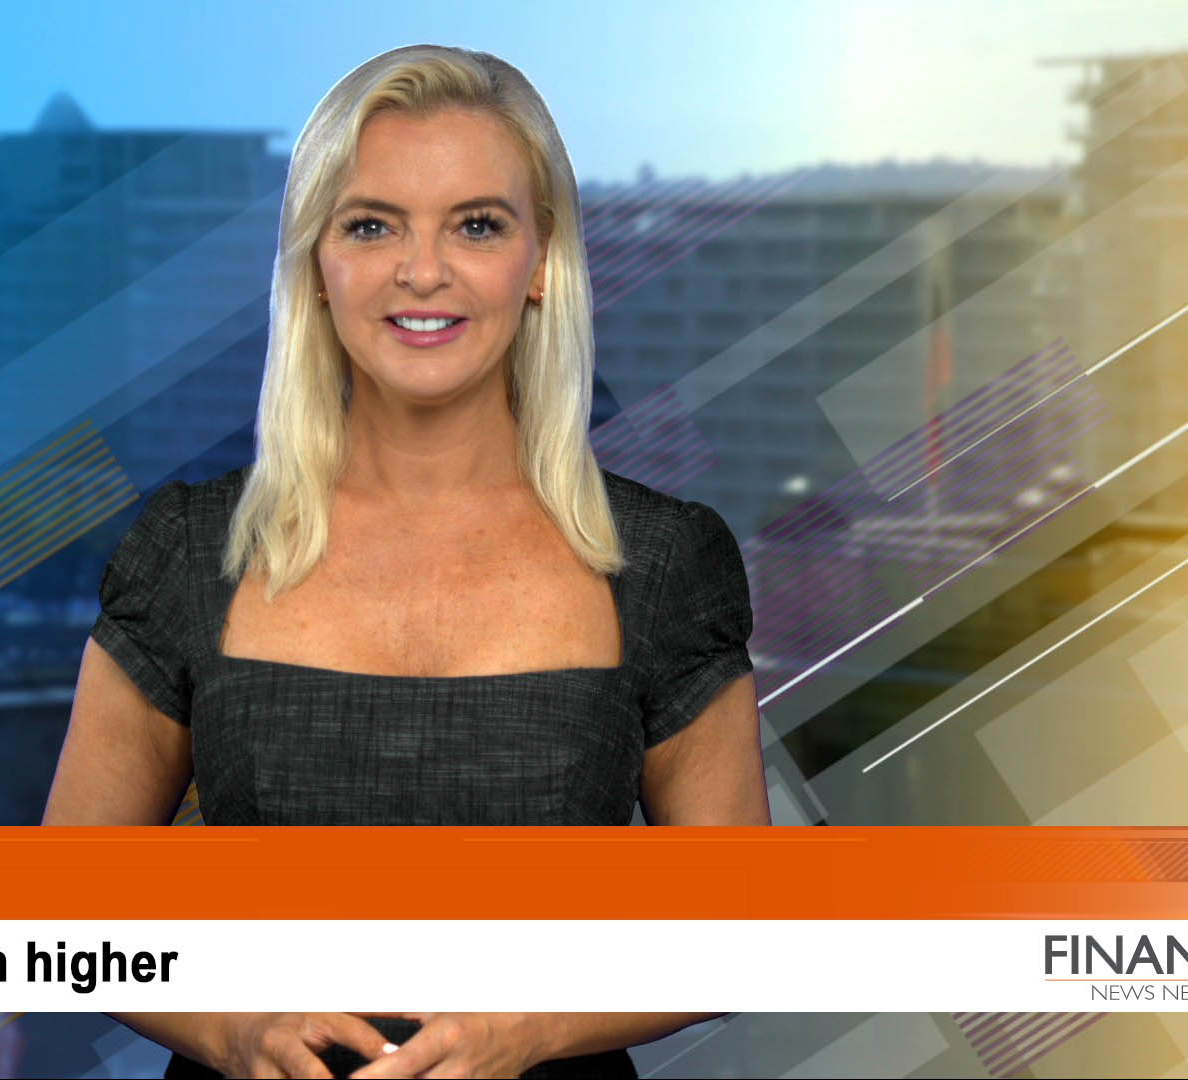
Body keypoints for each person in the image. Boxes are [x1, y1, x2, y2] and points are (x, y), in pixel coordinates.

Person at [42, 43, 765, 1080]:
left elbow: (735, 928)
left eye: (477, 225)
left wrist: (529, 1029)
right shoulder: (192, 550)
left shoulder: (662, 562)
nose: (422, 272)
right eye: (372, 225)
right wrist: (232, 1028)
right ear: (315, 265)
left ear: (541, 262)